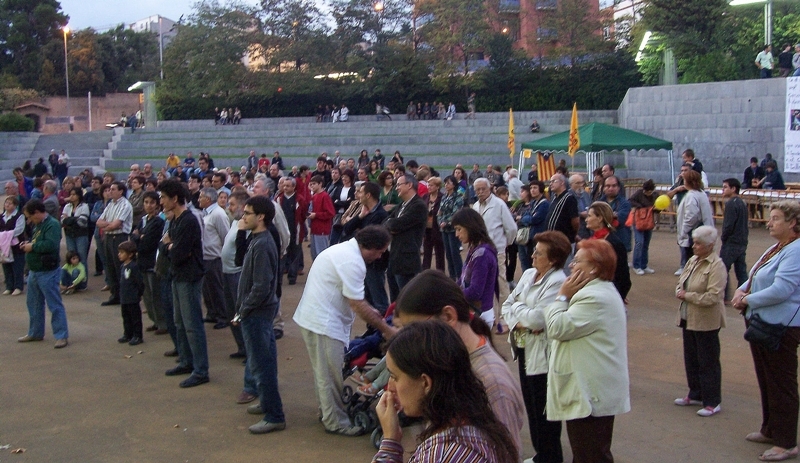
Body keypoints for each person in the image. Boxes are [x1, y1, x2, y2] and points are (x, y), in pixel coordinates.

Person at [392, 270, 525, 457]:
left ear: (447, 316)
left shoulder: (491, 383)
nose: (410, 339)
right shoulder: (448, 365)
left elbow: (506, 455)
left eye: (416, 328)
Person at [293, 226, 397, 436]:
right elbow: (357, 304)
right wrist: (387, 329)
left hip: (317, 319)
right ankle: (336, 422)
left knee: (325, 373)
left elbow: (355, 299)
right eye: (379, 251)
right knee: (329, 375)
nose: (379, 256)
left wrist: (373, 312)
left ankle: (328, 413)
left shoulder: (343, 251)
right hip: (322, 323)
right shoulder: (353, 262)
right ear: (369, 247)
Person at [372, 321, 519, 463]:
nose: (390, 386)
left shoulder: (443, 455)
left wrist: (390, 443)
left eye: (394, 377)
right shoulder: (472, 422)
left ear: (426, 383)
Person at [545, 239, 630, 463]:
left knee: (590, 455)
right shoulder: (596, 291)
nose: (571, 266)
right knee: (587, 453)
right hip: (591, 392)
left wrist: (561, 296)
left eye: (577, 261)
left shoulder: (594, 297)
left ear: (594, 267)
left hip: (591, 396)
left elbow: (556, 327)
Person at [730, 200, 800, 461]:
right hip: (763, 322)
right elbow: (756, 274)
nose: (769, 222)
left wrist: (747, 299)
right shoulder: (778, 247)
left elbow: (782, 290)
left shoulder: (796, 250)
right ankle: (771, 429)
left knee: (782, 384)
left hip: (781, 326)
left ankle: (786, 442)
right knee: (767, 379)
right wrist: (742, 289)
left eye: (776, 218)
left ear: (792, 223)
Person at [502, 231, 571, 463]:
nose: (532, 256)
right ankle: (541, 454)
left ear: (552, 260)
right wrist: (522, 316)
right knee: (531, 406)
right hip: (523, 347)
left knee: (544, 409)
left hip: (542, 354)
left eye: (538, 253)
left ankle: (551, 456)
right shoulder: (530, 274)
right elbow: (507, 304)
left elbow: (538, 320)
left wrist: (519, 313)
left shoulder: (558, 281)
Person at [234, 196, 286, 435]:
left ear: (261, 217)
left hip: (257, 312)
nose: (243, 217)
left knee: (261, 365)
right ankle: (268, 404)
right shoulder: (257, 239)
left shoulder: (264, 243)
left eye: (247, 213)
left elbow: (262, 286)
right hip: (257, 310)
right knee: (265, 361)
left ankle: (274, 415)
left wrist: (243, 309)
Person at [158, 179, 209, 388]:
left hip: (188, 277)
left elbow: (178, 252)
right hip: (178, 275)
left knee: (192, 324)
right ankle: (187, 361)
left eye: (163, 198)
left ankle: (200, 369)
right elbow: (165, 246)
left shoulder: (188, 221)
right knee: (180, 322)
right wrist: (170, 246)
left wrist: (170, 246)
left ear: (175, 199)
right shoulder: (175, 220)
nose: (161, 202)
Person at [674, 225, 726, 417]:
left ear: (710, 245)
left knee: (708, 361)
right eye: (694, 242)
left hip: (706, 321)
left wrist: (688, 296)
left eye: (698, 243)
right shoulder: (693, 260)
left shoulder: (716, 266)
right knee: (691, 358)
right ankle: (695, 393)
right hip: (688, 318)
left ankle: (712, 400)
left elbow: (714, 296)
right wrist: (680, 291)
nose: (694, 246)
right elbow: (681, 282)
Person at [17, 199, 69, 349]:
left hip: (47, 271)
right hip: (35, 270)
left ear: (38, 213)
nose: (29, 220)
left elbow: (51, 245)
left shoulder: (52, 224)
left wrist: (32, 246)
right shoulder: (38, 225)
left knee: (54, 304)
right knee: (33, 303)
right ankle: (35, 332)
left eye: (31, 216)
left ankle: (61, 335)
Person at [472, 178, 517, 332]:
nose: (480, 192)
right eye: (477, 189)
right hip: (480, 252)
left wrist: (505, 244)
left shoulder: (499, 204)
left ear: (489, 188)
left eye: (483, 189)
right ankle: (490, 317)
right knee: (485, 285)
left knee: (501, 284)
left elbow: (511, 228)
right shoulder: (476, 206)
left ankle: (505, 319)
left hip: (496, 251)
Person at [384, 173, 427, 302]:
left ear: (409, 185)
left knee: (407, 300)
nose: (396, 187)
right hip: (394, 257)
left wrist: (392, 225)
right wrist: (391, 225)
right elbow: (385, 222)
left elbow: (396, 224)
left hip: (406, 260)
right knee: (395, 300)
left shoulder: (418, 206)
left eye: (398, 184)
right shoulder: (402, 205)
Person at [452, 208, 498, 326]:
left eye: (459, 229)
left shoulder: (482, 254)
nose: (456, 234)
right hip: (476, 312)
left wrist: (451, 293)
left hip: (480, 316)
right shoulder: (475, 249)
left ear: (470, 227)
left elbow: (475, 291)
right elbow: (463, 281)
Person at [132, 191, 167, 334]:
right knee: (147, 295)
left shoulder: (158, 222)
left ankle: (162, 322)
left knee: (156, 294)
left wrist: (139, 237)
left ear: (157, 205)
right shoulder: (143, 220)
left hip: (152, 261)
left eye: (152, 203)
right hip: (142, 262)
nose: (148, 205)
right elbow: (134, 236)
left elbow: (148, 243)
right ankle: (154, 320)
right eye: (146, 202)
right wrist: (139, 237)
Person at [96, 182, 133, 306]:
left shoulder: (126, 205)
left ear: (121, 191)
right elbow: (99, 222)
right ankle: (114, 295)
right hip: (108, 237)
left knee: (119, 267)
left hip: (119, 238)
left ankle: (124, 296)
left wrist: (108, 225)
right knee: (110, 267)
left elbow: (116, 225)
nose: (110, 192)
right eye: (109, 189)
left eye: (113, 189)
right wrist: (109, 226)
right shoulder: (110, 204)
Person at [585, 202, 632, 300]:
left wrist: (617, 297)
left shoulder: (614, 243)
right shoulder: (593, 239)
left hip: (605, 296)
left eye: (589, 216)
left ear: (600, 218)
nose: (586, 220)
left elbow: (623, 277)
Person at [198, 188, 230, 328]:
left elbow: (225, 235)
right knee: (207, 288)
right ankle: (212, 313)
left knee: (216, 287)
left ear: (208, 199)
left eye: (201, 197)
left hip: (214, 256)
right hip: (204, 256)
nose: (198, 199)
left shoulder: (218, 214)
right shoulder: (206, 213)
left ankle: (223, 316)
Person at [676, 170, 714, 276]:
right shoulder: (701, 193)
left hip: (695, 234)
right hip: (703, 232)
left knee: (694, 263)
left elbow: (691, 216)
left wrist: (683, 231)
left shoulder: (692, 195)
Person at [720, 178, 749, 302]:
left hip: (731, 242)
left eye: (725, 187)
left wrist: (724, 237)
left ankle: (723, 295)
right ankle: (744, 293)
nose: (723, 189)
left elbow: (728, 225)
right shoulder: (742, 203)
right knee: (741, 270)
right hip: (742, 240)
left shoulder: (731, 204)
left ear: (733, 189)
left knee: (723, 269)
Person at [516, 181, 549, 272]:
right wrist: (526, 218)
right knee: (525, 261)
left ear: (540, 189)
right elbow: (528, 215)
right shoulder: (534, 202)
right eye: (531, 188)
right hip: (529, 236)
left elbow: (534, 219)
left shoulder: (544, 204)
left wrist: (523, 218)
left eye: (535, 188)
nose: (532, 190)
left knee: (533, 263)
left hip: (537, 236)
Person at [117, 240, 144, 346]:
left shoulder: (134, 267)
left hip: (132, 297)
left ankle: (138, 336)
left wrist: (138, 293)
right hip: (124, 297)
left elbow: (139, 282)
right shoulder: (122, 266)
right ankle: (128, 334)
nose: (119, 255)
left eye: (122, 252)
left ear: (130, 254)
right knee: (126, 317)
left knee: (135, 318)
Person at [629, 179, 659, 275]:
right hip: (638, 220)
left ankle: (644, 265)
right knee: (639, 243)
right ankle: (636, 265)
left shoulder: (655, 195)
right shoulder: (638, 193)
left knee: (645, 244)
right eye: (646, 191)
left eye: (649, 191)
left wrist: (656, 209)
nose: (648, 193)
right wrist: (640, 206)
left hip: (648, 221)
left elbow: (658, 208)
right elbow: (630, 201)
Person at [438, 175, 464, 280]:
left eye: (448, 183)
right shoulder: (444, 197)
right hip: (444, 229)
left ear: (454, 184)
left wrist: (447, 222)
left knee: (455, 253)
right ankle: (452, 275)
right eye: (445, 183)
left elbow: (456, 213)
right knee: (448, 253)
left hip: (453, 229)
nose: (446, 185)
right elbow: (439, 212)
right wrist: (440, 221)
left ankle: (460, 275)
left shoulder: (458, 197)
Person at [60, 187, 90, 271]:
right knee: (71, 257)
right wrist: (75, 219)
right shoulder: (67, 206)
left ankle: (83, 280)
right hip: (69, 235)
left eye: (74, 195)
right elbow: (62, 221)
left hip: (81, 235)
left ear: (79, 196)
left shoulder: (84, 206)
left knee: (81, 258)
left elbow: (82, 222)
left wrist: (68, 219)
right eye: (70, 195)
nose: (71, 196)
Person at [1, 196, 25, 295]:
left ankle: (18, 286)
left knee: (17, 266)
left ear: (15, 205)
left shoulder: (19, 216)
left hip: (16, 245)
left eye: (10, 203)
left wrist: (7, 235)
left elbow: (19, 229)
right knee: (6, 266)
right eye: (6, 203)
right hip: (3, 245)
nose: (7, 205)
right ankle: (9, 286)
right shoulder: (1, 216)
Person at [308, 175, 335, 260]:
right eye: (311, 184)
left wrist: (316, 215)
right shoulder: (315, 196)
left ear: (320, 184)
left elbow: (331, 213)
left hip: (322, 229)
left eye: (314, 184)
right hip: (315, 228)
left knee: (321, 254)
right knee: (314, 253)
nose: (312, 186)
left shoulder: (324, 196)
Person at [422, 177, 444, 272]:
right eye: (428, 185)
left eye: (431, 185)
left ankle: (440, 273)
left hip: (438, 228)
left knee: (439, 253)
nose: (429, 187)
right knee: (427, 253)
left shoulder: (442, 197)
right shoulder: (425, 197)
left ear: (437, 187)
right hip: (427, 229)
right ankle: (424, 273)